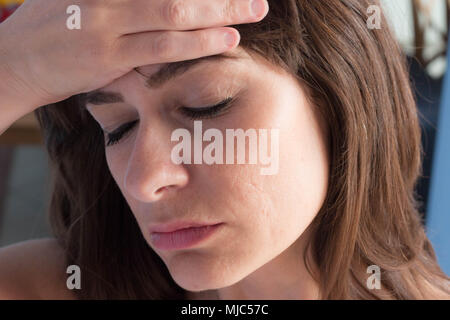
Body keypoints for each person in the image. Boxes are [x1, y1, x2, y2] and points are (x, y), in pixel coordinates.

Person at [0, 0, 449, 300]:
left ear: (341, 97)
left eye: (205, 106)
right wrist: (10, 71)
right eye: (118, 128)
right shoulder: (41, 288)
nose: (144, 179)